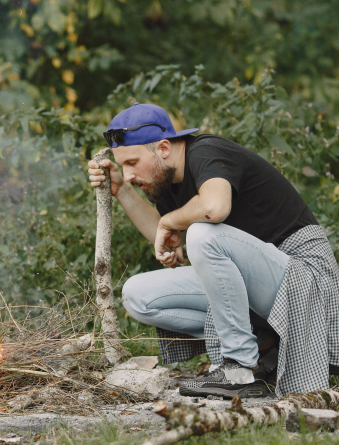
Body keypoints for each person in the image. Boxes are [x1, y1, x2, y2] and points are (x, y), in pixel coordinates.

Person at [89, 102, 339, 399]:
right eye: (122, 167)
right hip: (261, 286)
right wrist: (122, 190)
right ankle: (262, 345)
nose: (128, 174)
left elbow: (214, 208)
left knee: (201, 234)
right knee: (138, 295)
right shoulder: (167, 182)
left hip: (306, 277)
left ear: (164, 148)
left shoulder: (206, 151)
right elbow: (162, 231)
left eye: (131, 163)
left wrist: (172, 221)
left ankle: (239, 369)